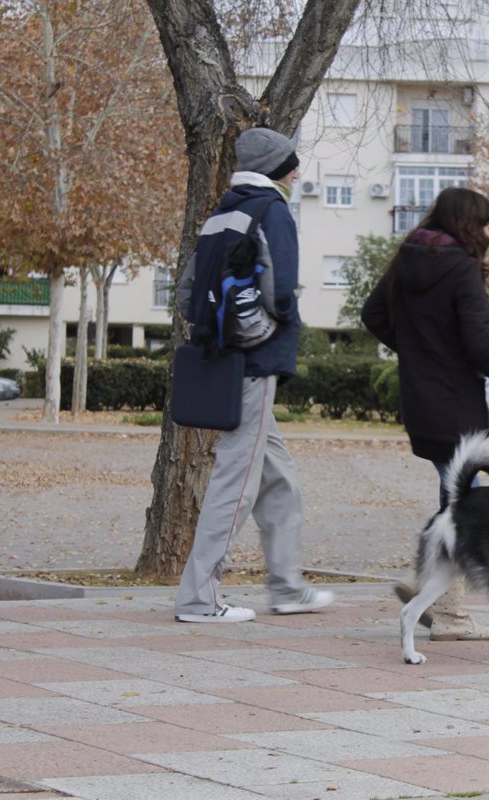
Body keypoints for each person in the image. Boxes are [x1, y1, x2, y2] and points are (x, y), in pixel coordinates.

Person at [361, 186, 489, 640]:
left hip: (421, 397)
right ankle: (446, 610)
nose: (486, 233)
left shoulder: (408, 258)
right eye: (482, 224)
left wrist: (421, 351)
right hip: (455, 399)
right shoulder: (460, 269)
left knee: (456, 494)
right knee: (463, 500)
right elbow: (480, 344)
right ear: (466, 224)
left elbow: (372, 315)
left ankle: (431, 591)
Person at [173, 127, 333, 623]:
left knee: (280, 480)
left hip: (225, 358)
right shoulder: (274, 209)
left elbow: (184, 294)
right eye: (292, 164)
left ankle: (286, 587)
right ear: (277, 168)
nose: (298, 172)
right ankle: (199, 598)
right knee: (236, 484)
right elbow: (281, 289)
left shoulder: (223, 212)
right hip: (256, 363)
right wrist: (275, 323)